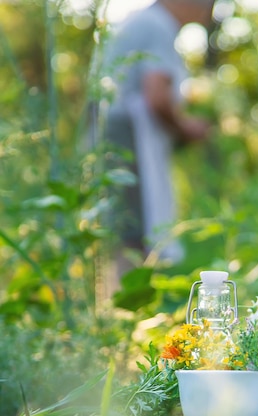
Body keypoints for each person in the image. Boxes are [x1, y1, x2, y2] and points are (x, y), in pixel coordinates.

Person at [99, 0, 214, 274]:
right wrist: (187, 128)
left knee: (119, 223)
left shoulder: (139, 20)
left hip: (110, 129)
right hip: (129, 136)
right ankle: (127, 307)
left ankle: (116, 304)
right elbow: (158, 97)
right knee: (132, 227)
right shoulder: (159, 25)